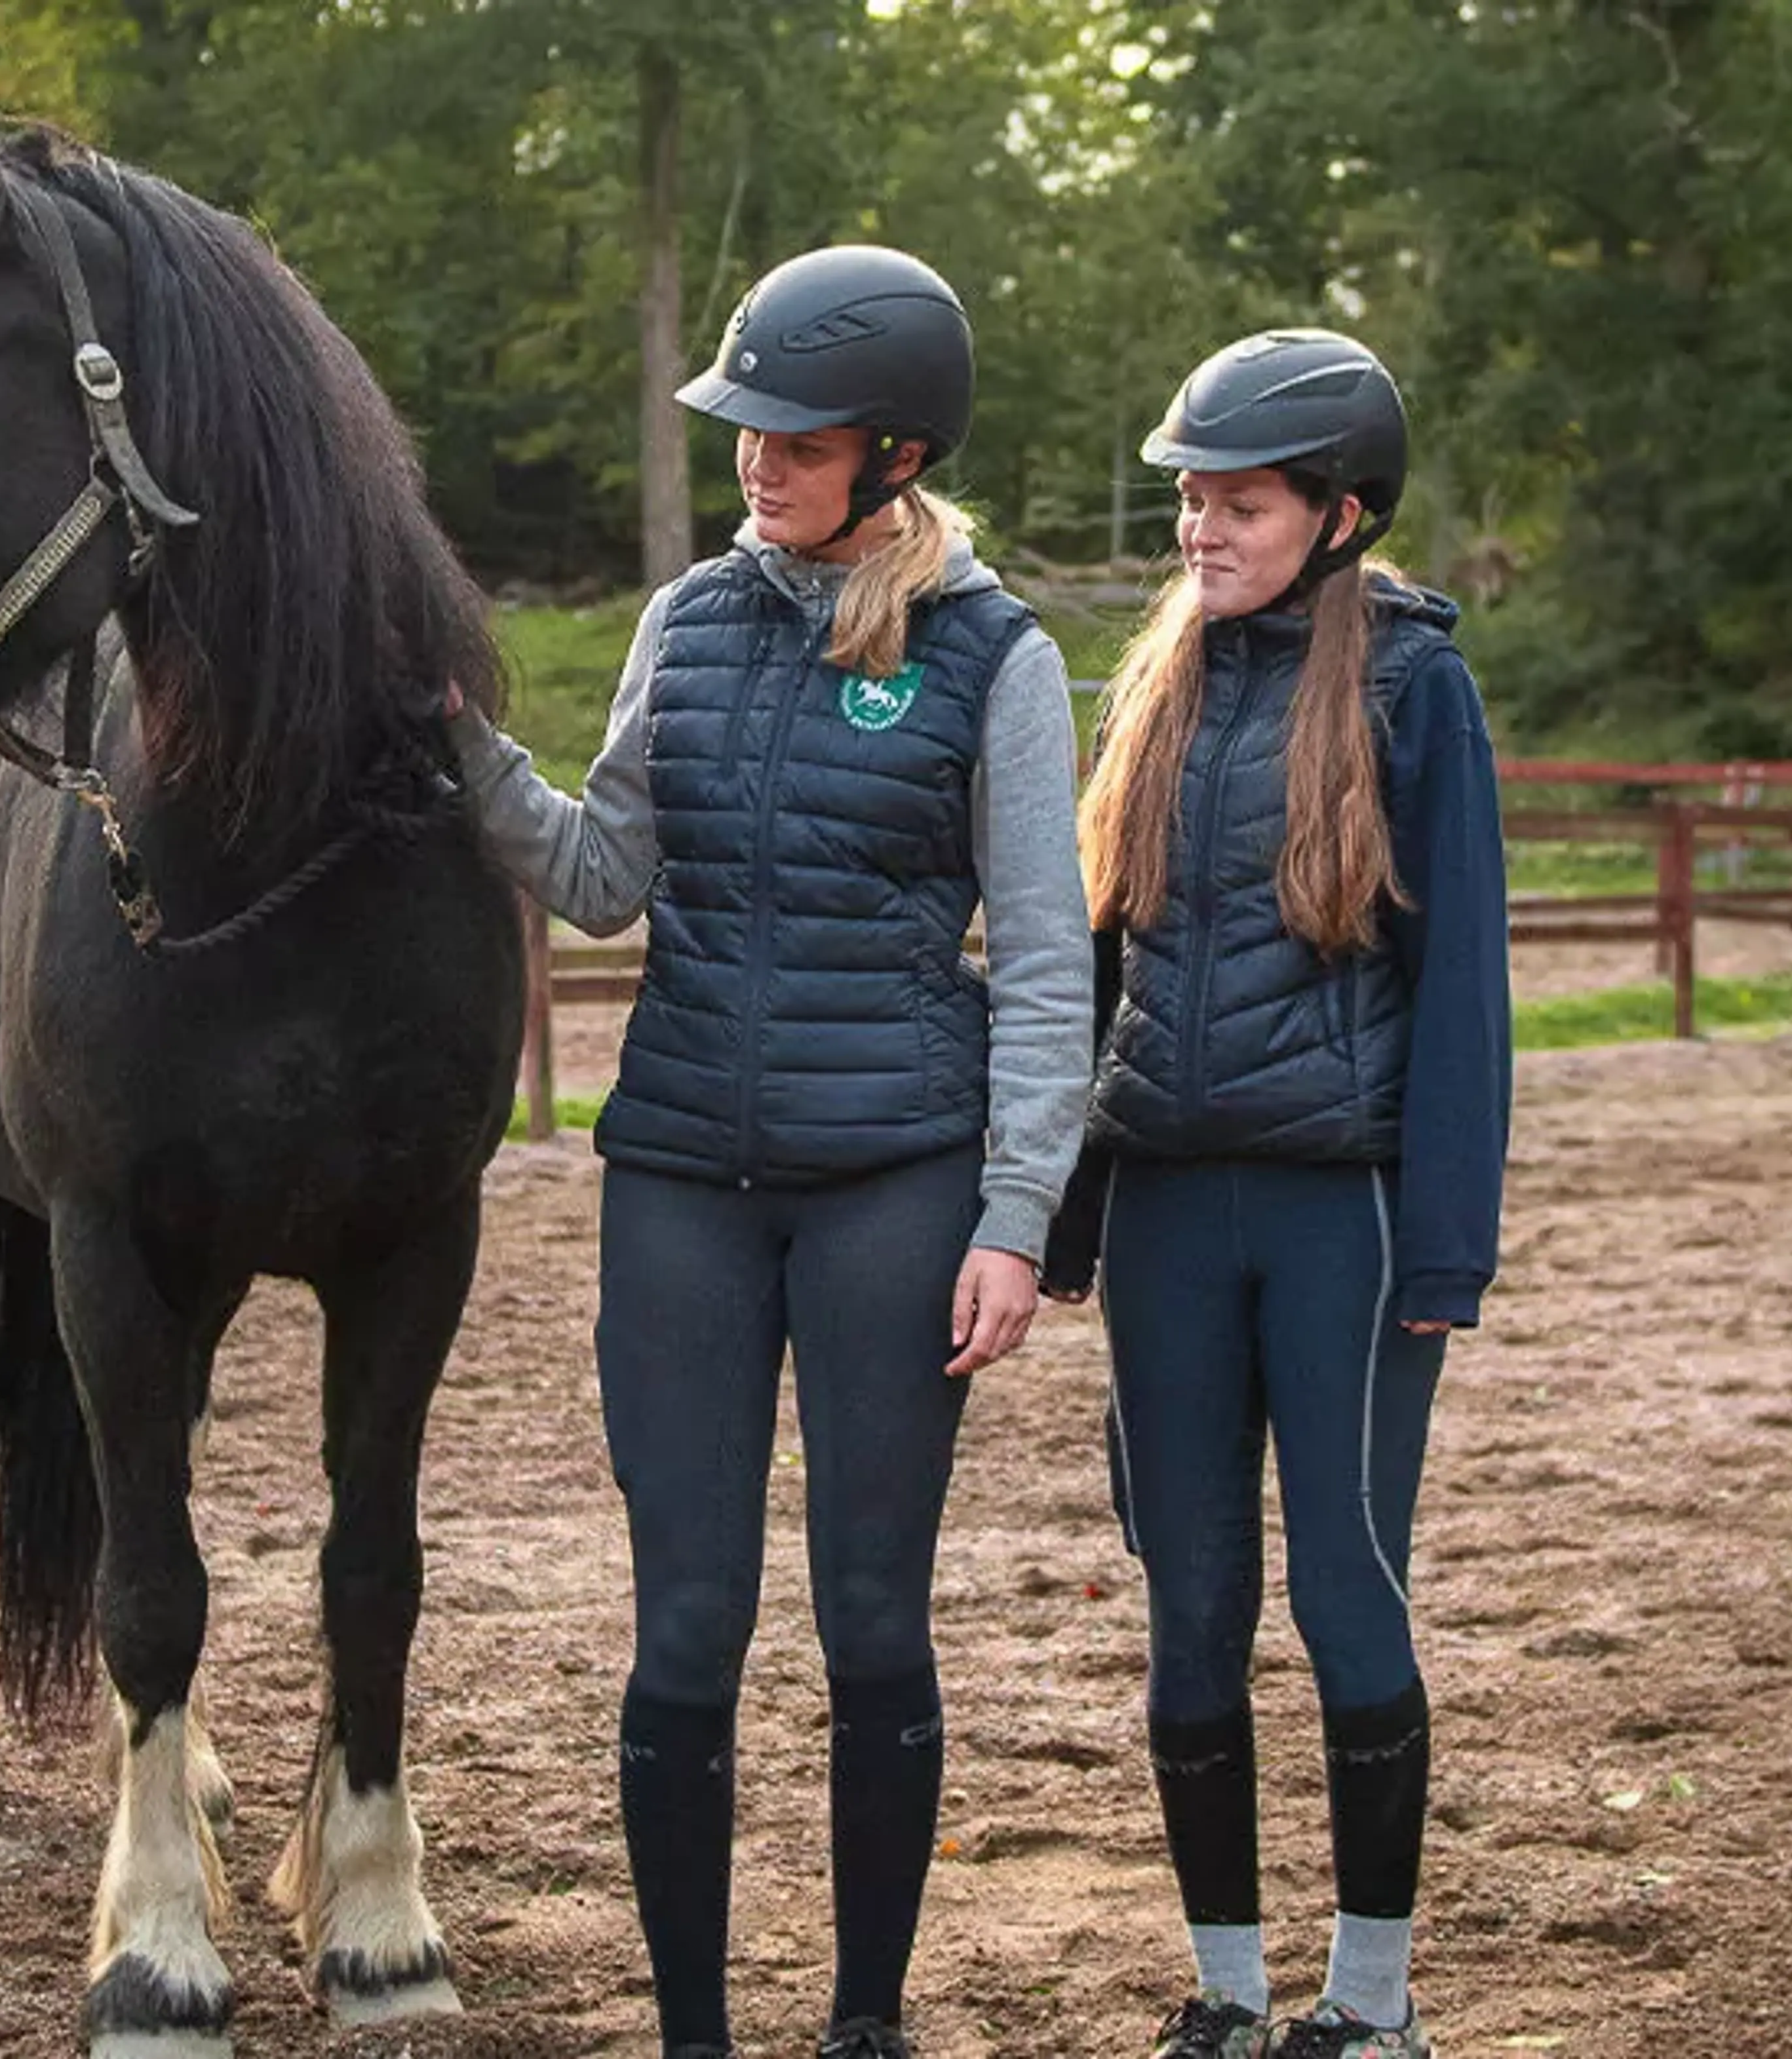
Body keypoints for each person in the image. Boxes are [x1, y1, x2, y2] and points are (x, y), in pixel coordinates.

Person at [445, 245, 1094, 2059]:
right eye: (740, 431)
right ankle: (695, 2037)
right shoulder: (688, 619)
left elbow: (1046, 961)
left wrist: (1018, 1215)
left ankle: (866, 2020)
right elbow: (600, 879)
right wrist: (465, 748)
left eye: (789, 438)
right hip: (678, 1186)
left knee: (875, 1615)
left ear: (893, 449)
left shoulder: (995, 653)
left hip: (899, 1180)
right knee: (685, 1631)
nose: (753, 462)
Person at [1040, 330, 1511, 2059]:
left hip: (1346, 1217)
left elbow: (1465, 979)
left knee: (1343, 1588)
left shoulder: (1409, 686)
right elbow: (1104, 966)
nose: (1198, 529)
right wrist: (1066, 1216)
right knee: (1191, 1604)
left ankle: (1371, 2005)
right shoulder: (1161, 681)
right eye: (1188, 498)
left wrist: (1450, 1242)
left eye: (1236, 503)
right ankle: (1230, 1990)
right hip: (1170, 1209)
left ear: (1339, 512)